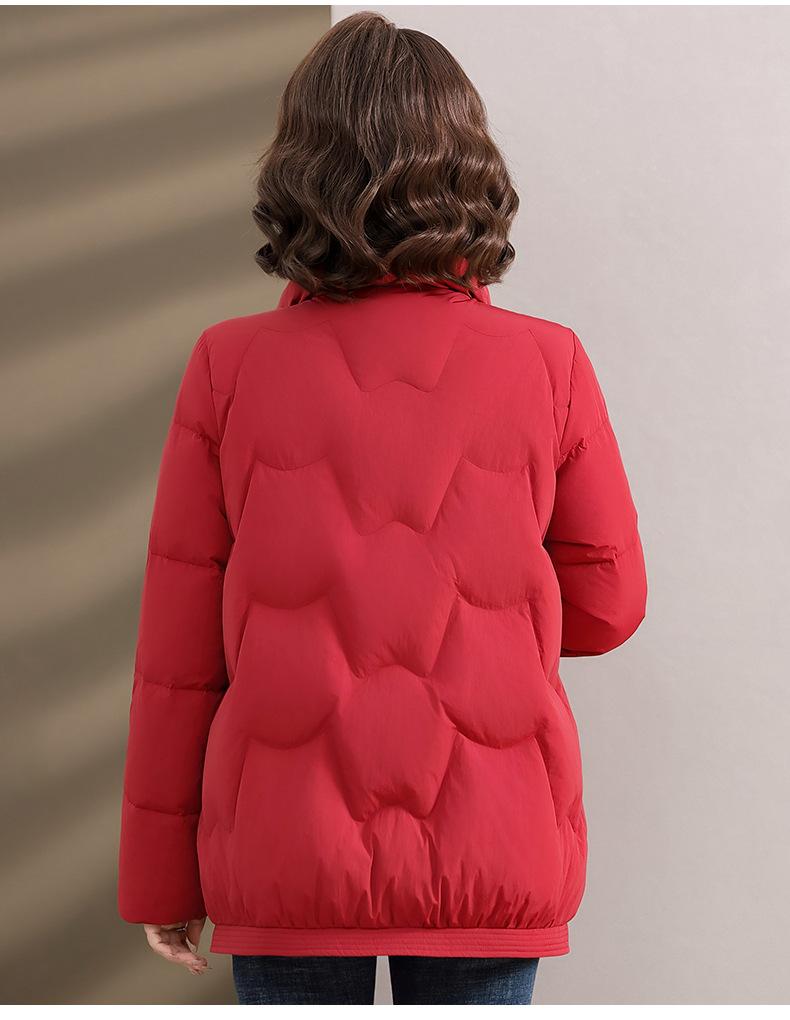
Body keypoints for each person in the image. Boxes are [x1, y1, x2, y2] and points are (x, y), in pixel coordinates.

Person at [118, 11, 647, 1006]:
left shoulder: (229, 365)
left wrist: (159, 879)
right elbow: (608, 608)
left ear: (298, 170)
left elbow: (178, 657)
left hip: (284, 850)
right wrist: (484, 610)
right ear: (466, 167)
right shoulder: (548, 363)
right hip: (492, 847)